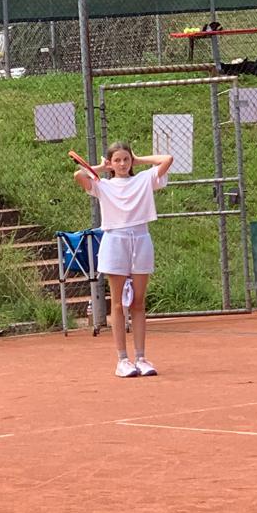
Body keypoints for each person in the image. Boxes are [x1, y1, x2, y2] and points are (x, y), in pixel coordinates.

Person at [72, 142, 173, 377]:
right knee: (117, 303)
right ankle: (122, 360)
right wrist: (101, 167)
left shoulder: (144, 179)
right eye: (117, 160)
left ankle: (141, 358)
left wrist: (139, 160)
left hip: (141, 240)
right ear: (111, 163)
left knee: (138, 302)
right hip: (114, 241)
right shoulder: (103, 185)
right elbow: (79, 175)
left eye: (126, 159)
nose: (122, 164)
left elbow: (167, 159)